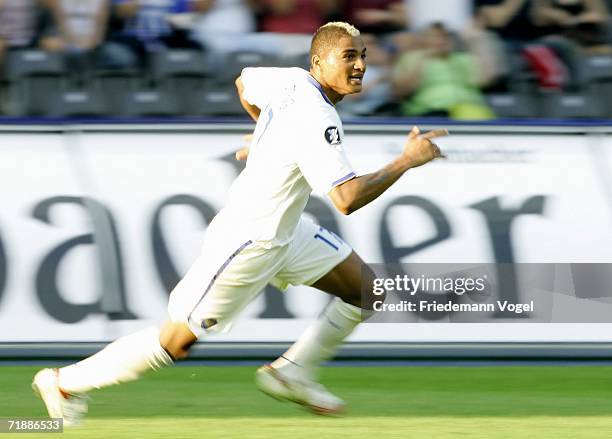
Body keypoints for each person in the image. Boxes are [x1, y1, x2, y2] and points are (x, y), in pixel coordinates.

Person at [32, 21, 447, 425]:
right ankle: (64, 382)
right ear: (318, 62)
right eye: (348, 56)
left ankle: (292, 372)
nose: (359, 65)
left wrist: (267, 134)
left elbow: (243, 83)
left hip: (285, 231)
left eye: (363, 56)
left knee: (366, 290)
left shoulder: (289, 80)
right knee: (176, 342)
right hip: (250, 240)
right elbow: (347, 198)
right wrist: (405, 161)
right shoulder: (319, 117)